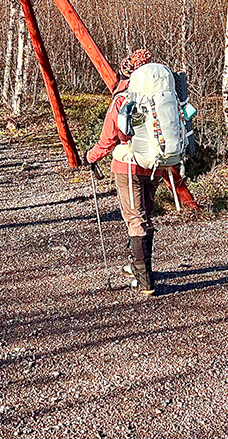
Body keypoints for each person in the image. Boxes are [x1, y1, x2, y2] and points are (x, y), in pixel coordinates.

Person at [86, 48, 166, 295]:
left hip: (127, 165)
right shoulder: (160, 95)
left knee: (135, 219)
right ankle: (138, 268)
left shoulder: (123, 97)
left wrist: (91, 156)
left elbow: (109, 137)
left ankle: (145, 282)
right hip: (154, 164)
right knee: (144, 216)